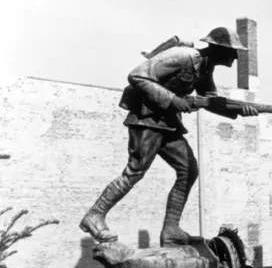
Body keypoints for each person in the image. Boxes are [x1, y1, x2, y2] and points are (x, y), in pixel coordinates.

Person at [79, 28, 257, 247]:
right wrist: (172, 99)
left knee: (188, 170)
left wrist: (240, 110)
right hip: (146, 120)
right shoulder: (183, 56)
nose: (236, 57)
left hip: (167, 124)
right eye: (233, 51)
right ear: (219, 48)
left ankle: (171, 229)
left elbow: (209, 100)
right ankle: (94, 215)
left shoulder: (204, 68)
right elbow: (137, 75)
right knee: (135, 172)